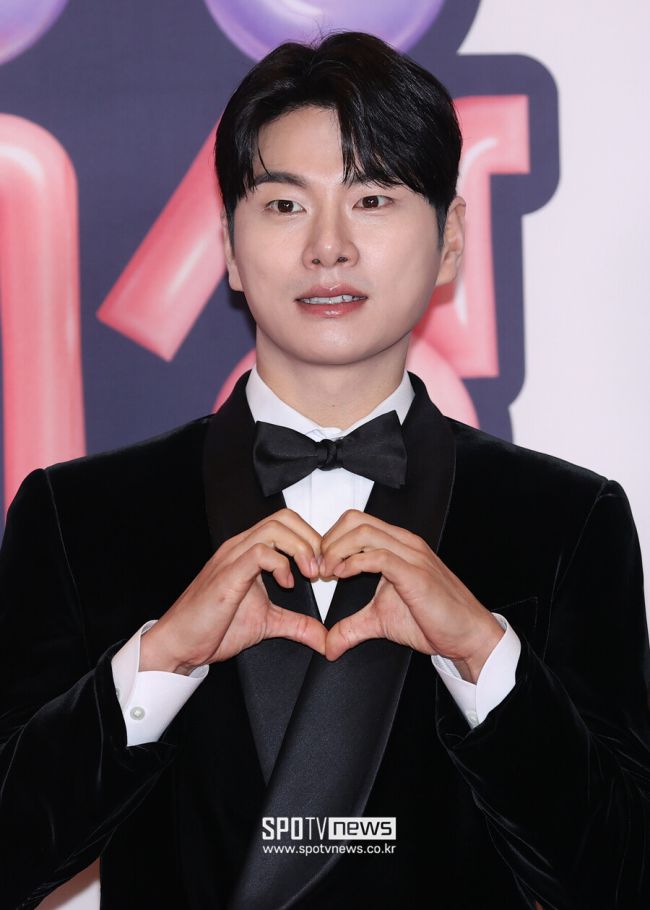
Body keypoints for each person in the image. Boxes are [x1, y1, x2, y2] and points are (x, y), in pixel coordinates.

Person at [1, 30, 649, 910]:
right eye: (284, 204)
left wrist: (484, 654)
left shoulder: (566, 520)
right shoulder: (80, 516)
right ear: (229, 247)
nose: (329, 248)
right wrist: (158, 661)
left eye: (373, 198)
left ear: (451, 238)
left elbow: (621, 876)